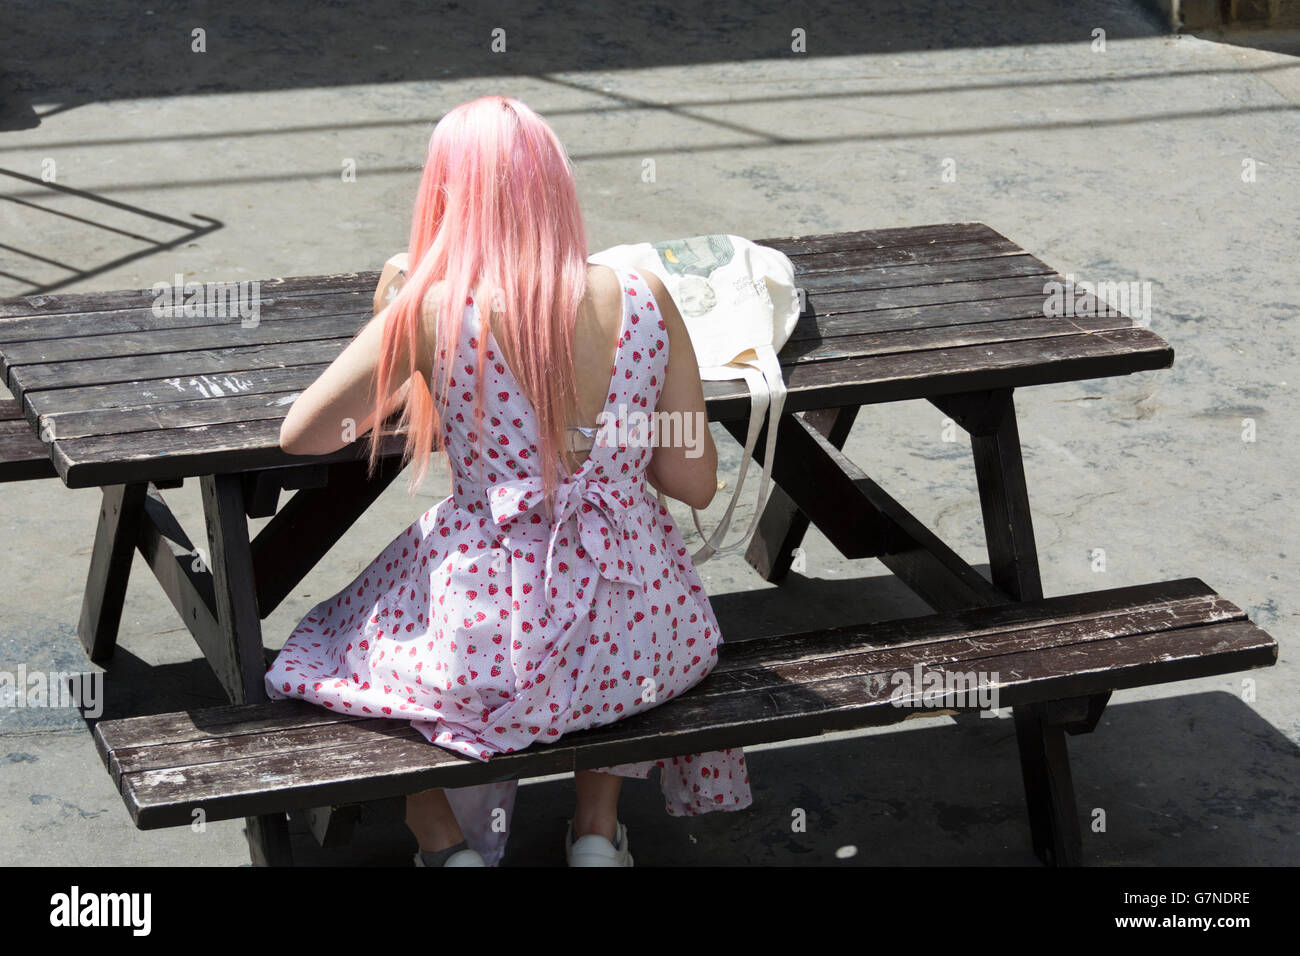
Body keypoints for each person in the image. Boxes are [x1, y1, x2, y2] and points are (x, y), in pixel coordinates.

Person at [270, 94, 752, 866]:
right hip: (652, 642)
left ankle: (446, 846)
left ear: (449, 196)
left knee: (333, 652)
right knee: (608, 608)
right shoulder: (644, 296)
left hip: (496, 634)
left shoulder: (433, 308)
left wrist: (399, 303)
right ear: (556, 188)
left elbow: (308, 433)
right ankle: (596, 835)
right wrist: (607, 441)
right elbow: (692, 480)